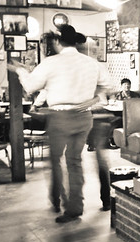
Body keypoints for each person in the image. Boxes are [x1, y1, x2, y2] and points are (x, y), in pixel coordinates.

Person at [8, 25, 112, 223]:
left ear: (57, 41)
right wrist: (93, 99)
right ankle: (74, 207)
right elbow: (109, 86)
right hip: (83, 117)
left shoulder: (51, 63)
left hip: (60, 117)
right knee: (74, 161)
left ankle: (58, 201)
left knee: (56, 161)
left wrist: (20, 70)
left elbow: (30, 87)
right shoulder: (91, 63)